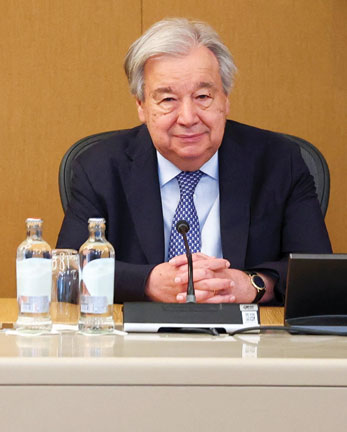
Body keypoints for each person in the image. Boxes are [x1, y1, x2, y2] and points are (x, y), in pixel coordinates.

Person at [57, 18, 331, 304]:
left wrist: (253, 285)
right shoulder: (100, 167)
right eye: (168, 100)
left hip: (248, 330)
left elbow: (317, 273)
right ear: (141, 105)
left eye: (202, 96)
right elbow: (69, 270)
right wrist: (147, 283)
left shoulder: (279, 162)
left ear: (225, 99)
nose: (188, 118)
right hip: (139, 330)